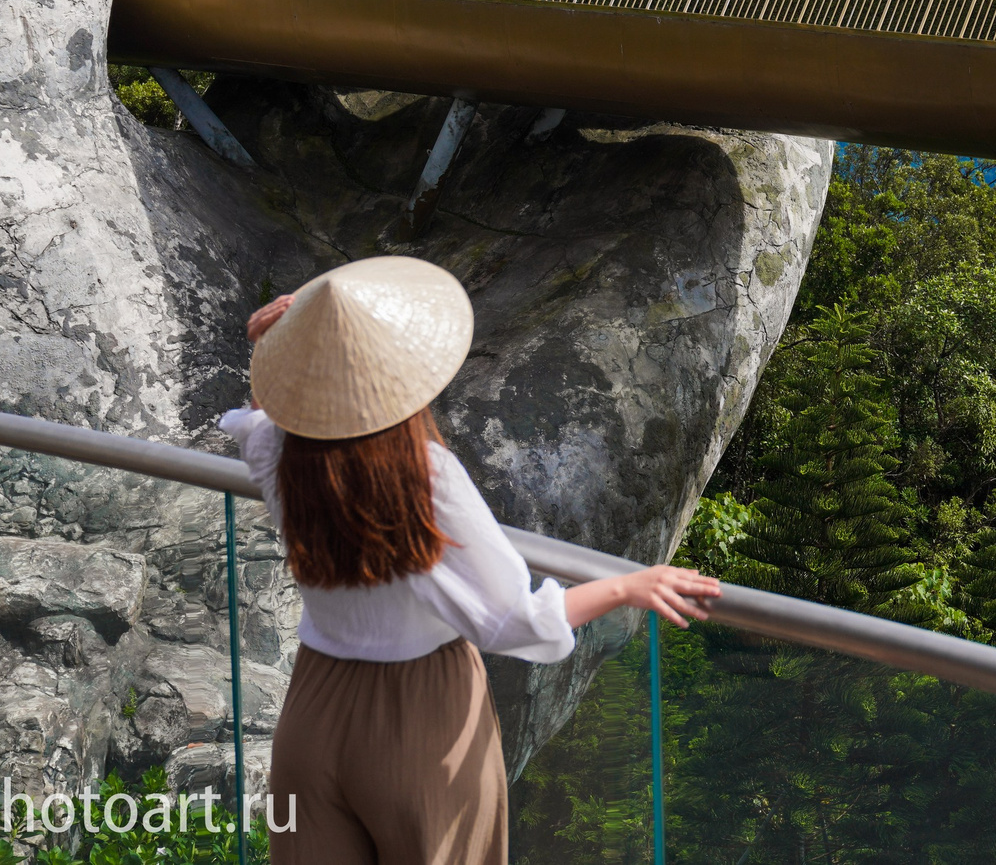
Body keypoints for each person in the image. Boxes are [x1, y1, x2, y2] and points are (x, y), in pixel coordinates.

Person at [230, 257, 717, 865]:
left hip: (312, 711)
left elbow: (259, 415)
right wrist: (627, 586)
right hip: (421, 723)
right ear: (403, 376)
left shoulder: (279, 454)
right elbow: (516, 621)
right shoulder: (423, 479)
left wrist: (272, 343)